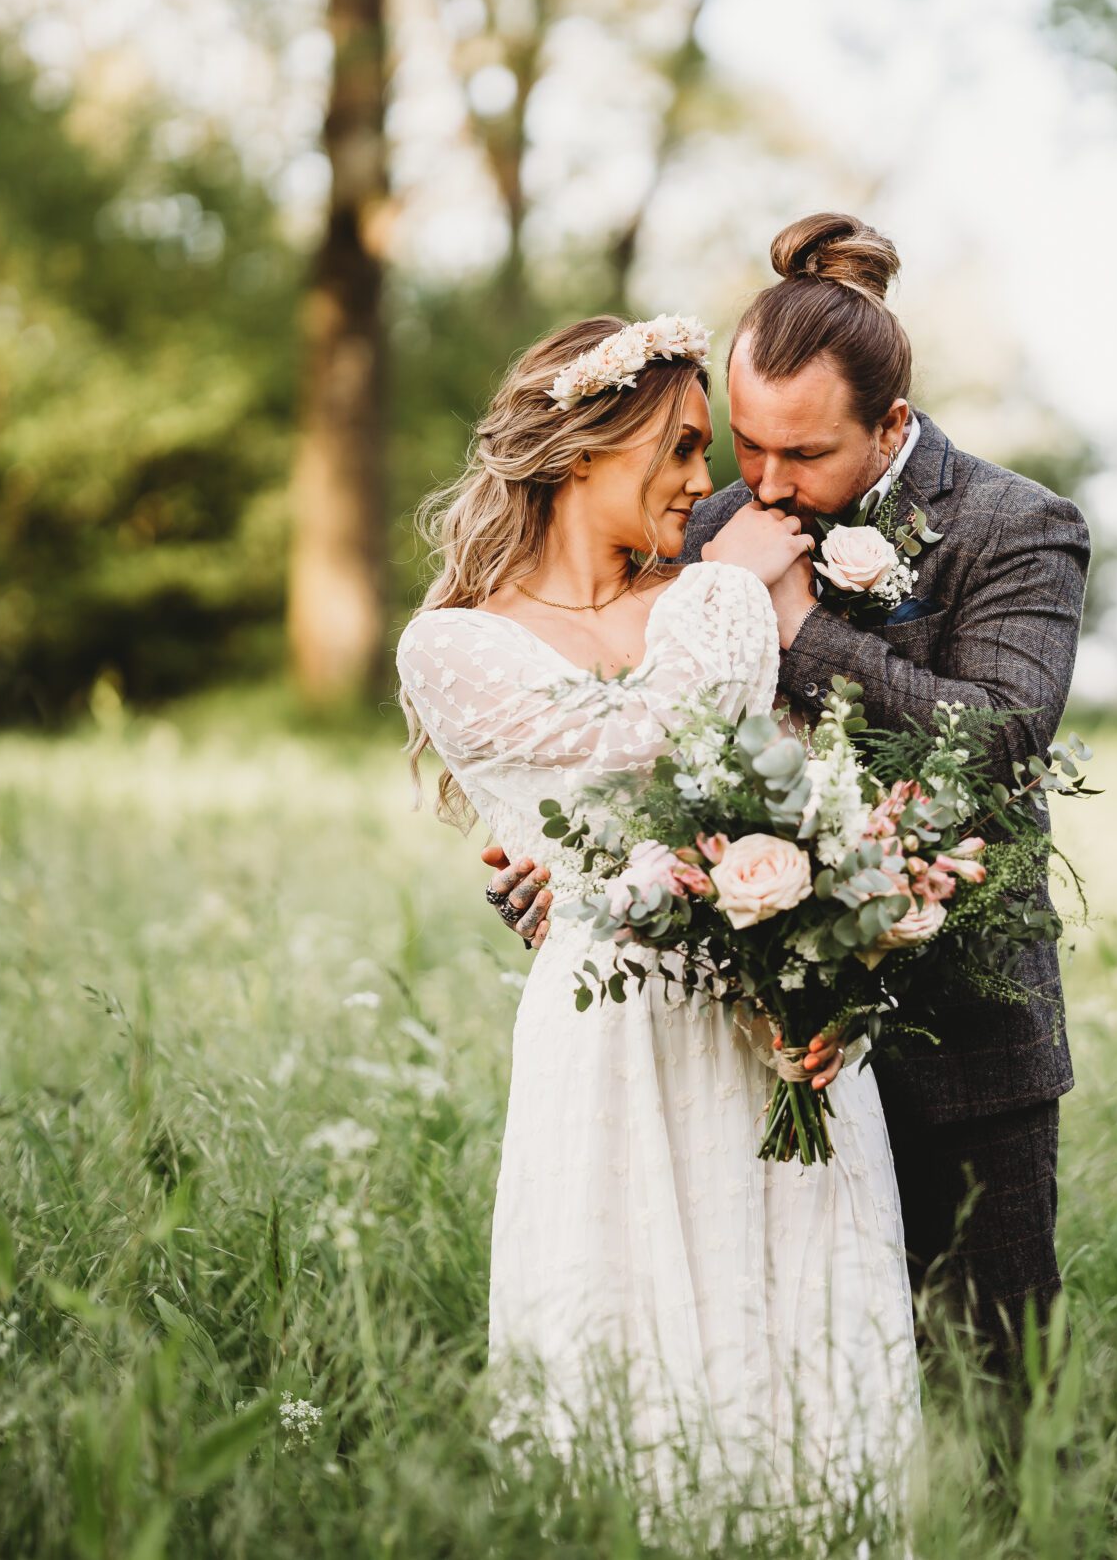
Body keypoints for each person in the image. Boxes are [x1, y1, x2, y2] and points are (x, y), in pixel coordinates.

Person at [484, 212, 1091, 1374]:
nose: (763, 483)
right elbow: (643, 742)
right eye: (745, 445)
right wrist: (567, 874)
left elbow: (1000, 736)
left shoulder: (1016, 529)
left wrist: (800, 627)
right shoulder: (707, 528)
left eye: (803, 455)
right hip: (749, 1044)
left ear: (892, 425)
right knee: (795, 1367)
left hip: (963, 1034)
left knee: (991, 1375)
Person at [393, 311, 918, 1525]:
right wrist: (734, 595)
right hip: (611, 1041)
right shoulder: (459, 643)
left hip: (773, 1036)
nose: (708, 481)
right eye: (682, 449)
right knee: (628, 1344)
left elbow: (811, 799)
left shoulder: (715, 592)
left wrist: (839, 979)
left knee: (798, 1350)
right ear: (587, 446)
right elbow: (636, 758)